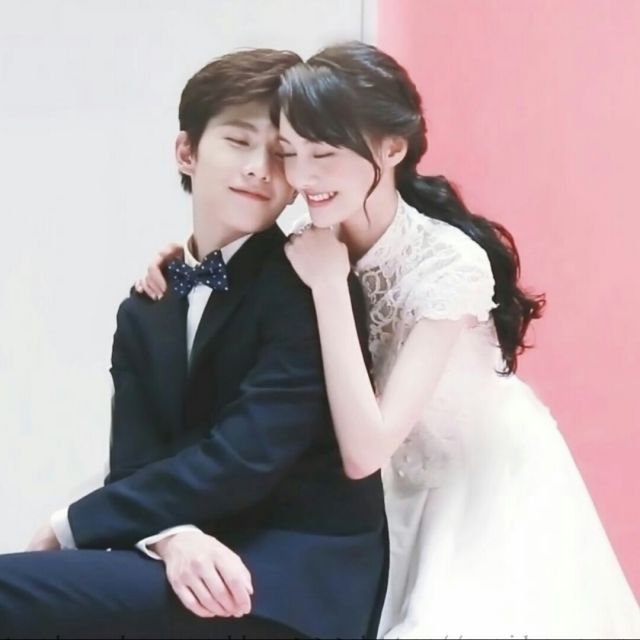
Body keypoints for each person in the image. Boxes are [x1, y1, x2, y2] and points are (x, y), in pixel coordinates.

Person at [141, 41, 640, 639]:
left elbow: (366, 450)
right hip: (376, 502)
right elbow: (231, 278)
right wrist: (180, 262)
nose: (303, 177)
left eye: (324, 153)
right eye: (292, 153)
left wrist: (330, 285)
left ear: (392, 148)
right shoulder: (308, 233)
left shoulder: (448, 264)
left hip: (474, 486)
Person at [0, 48, 387, 640]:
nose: (259, 169)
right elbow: (133, 463)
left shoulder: (307, 283)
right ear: (187, 151)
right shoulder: (145, 307)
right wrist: (172, 537)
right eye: (238, 141)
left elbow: (246, 456)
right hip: (194, 562)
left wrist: (69, 524)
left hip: (292, 583)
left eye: (280, 154)